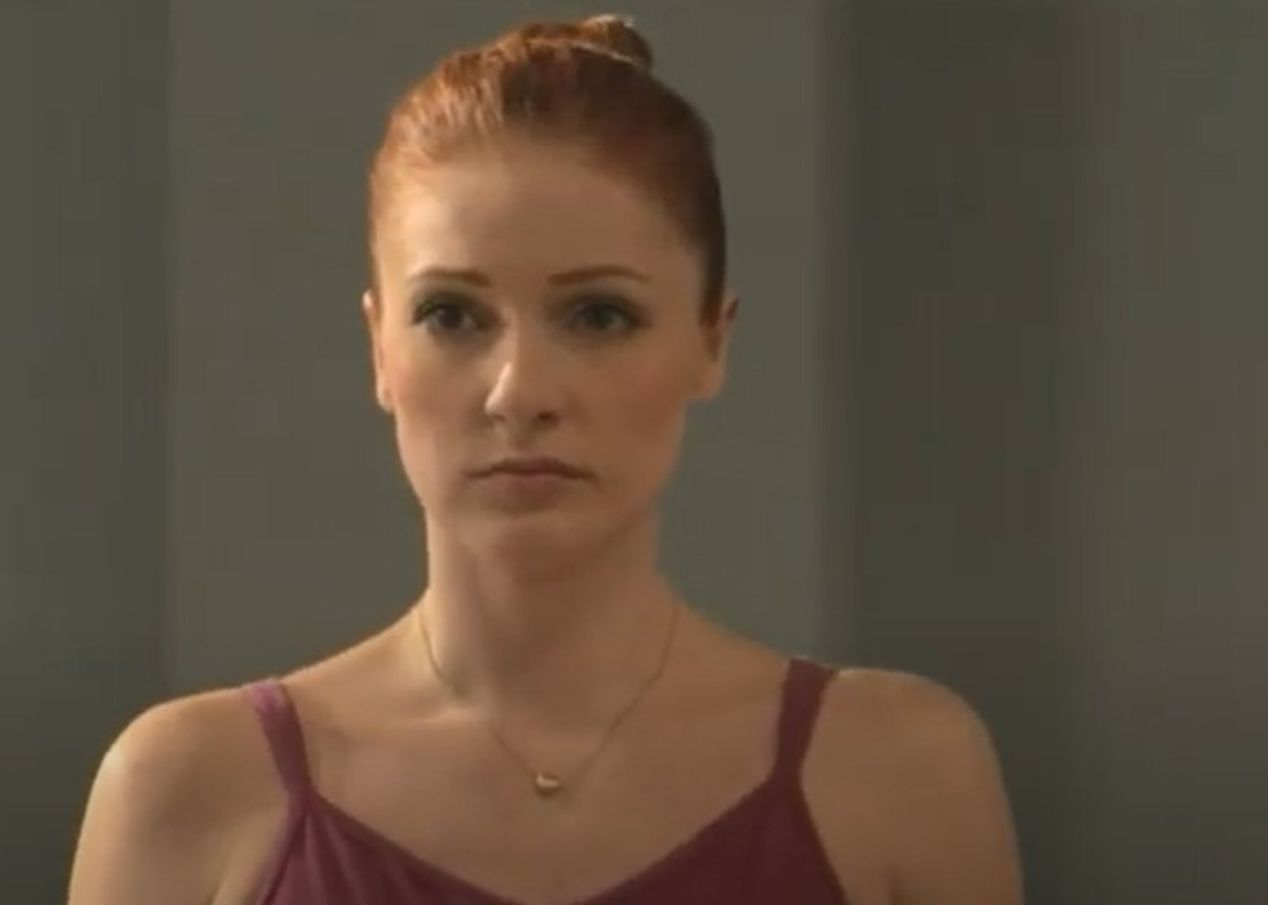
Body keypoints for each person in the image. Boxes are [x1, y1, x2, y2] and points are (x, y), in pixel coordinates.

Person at [65, 15, 1022, 905]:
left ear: (712, 340)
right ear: (379, 350)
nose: (519, 391)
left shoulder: (897, 778)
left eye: (600, 314)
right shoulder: (192, 792)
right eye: (451, 315)